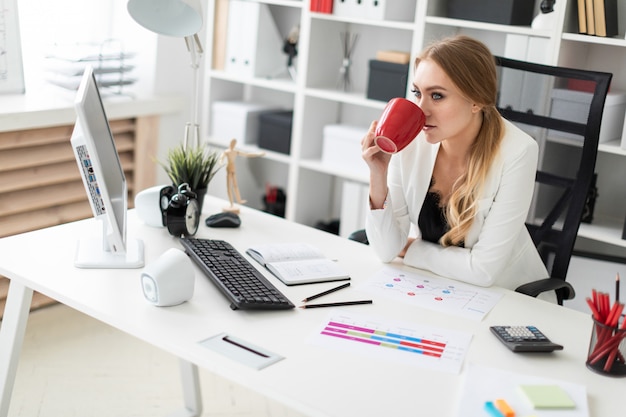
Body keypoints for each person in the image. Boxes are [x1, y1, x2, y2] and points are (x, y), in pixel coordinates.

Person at [361, 35, 548, 290]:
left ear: (476, 101)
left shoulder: (518, 152)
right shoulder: (411, 139)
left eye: (437, 96)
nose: (421, 110)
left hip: (506, 295)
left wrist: (412, 250)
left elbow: (483, 271)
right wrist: (378, 174)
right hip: (436, 287)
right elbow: (386, 251)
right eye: (417, 93)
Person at [221, 138, 264, 212]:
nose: (233, 144)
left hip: (233, 169)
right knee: (229, 187)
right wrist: (220, 162)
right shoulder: (227, 152)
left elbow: (247, 154)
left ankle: (239, 200)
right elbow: (221, 157)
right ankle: (231, 202)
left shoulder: (235, 152)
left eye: (234, 143)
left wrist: (258, 154)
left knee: (235, 185)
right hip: (228, 169)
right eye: (232, 143)